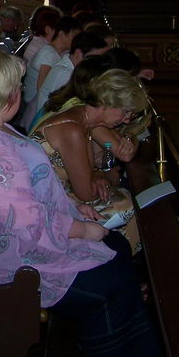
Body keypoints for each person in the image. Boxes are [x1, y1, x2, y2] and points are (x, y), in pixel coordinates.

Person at [0, 50, 162, 357]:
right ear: (9, 94)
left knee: (116, 248)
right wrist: (83, 229)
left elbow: (24, 192)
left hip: (13, 232)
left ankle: (125, 355)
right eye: (18, 84)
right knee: (111, 283)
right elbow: (20, 218)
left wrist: (73, 206)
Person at [29, 69, 150, 253]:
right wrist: (110, 178)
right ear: (107, 103)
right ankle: (122, 262)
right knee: (131, 206)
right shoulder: (73, 130)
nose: (126, 120)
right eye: (125, 112)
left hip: (56, 192)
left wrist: (99, 174)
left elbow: (93, 165)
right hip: (43, 204)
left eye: (131, 115)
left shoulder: (83, 116)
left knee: (129, 199)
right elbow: (86, 193)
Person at [31, 31, 111, 122]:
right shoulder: (64, 73)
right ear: (78, 53)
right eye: (94, 59)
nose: (98, 63)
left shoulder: (70, 67)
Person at [20, 15, 81, 129]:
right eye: (75, 36)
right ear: (62, 34)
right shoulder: (48, 54)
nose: (77, 40)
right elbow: (42, 88)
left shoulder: (60, 53)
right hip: (33, 107)